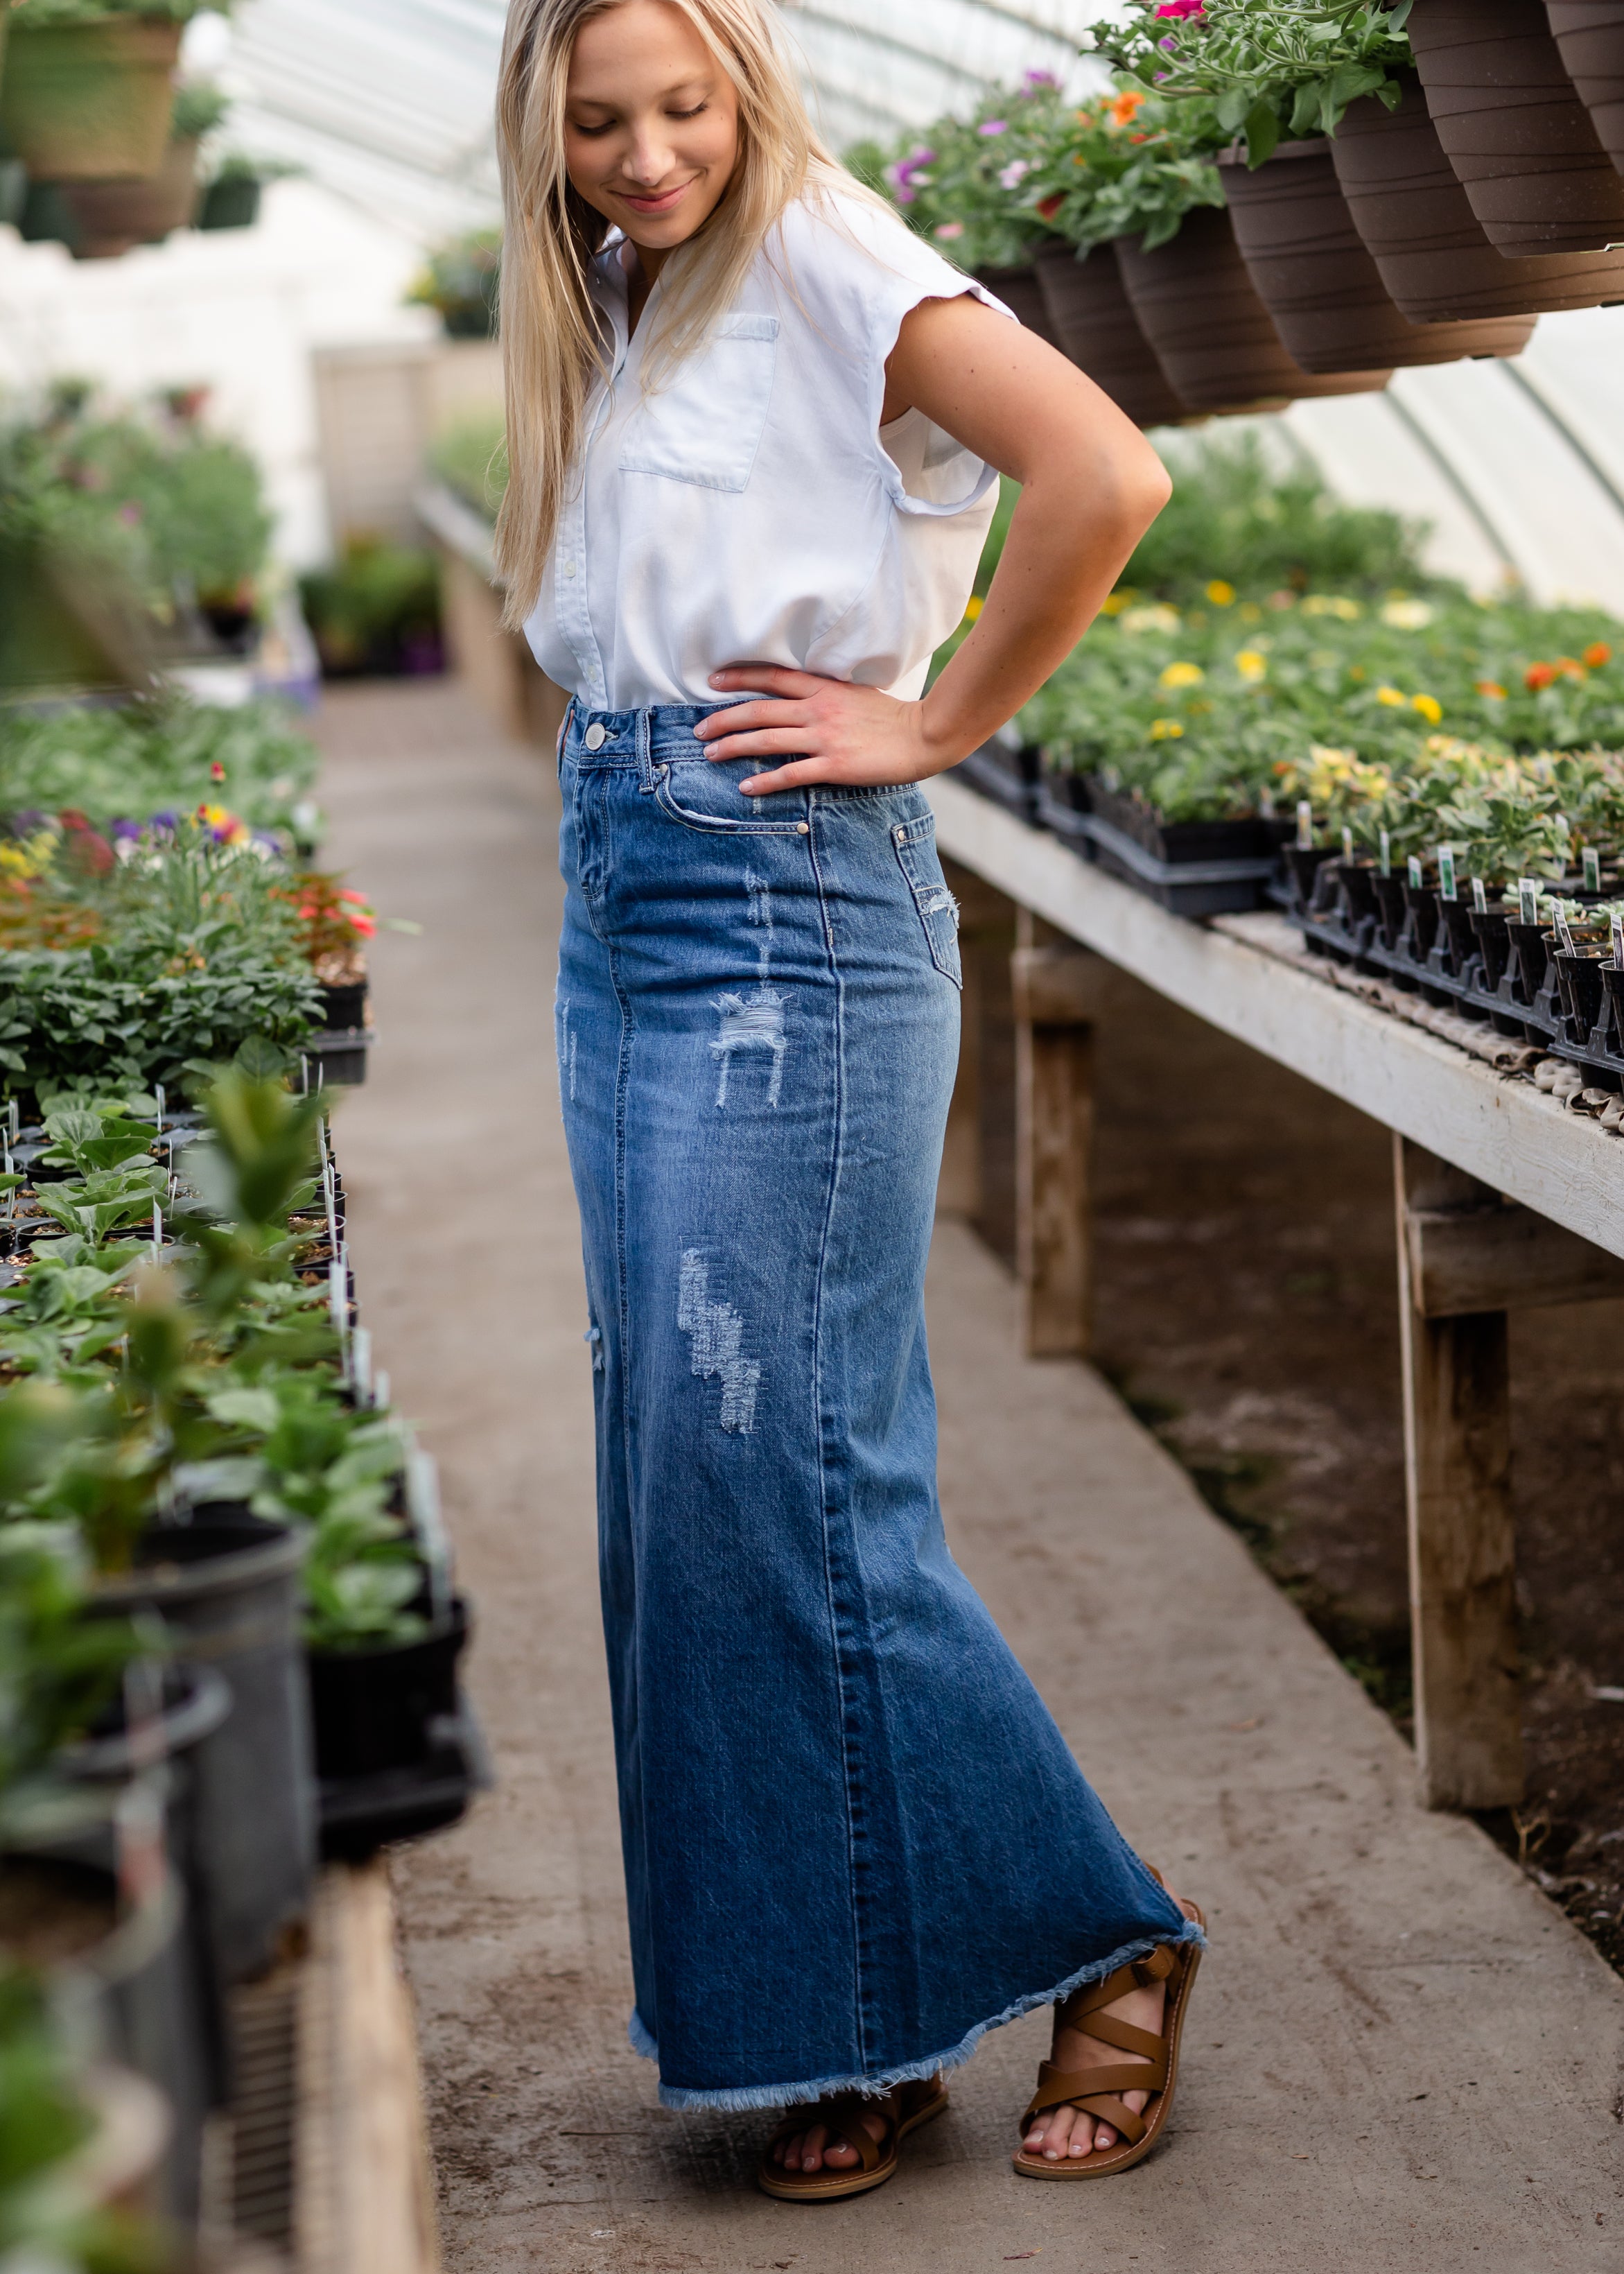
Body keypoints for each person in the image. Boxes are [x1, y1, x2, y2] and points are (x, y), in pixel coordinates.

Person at [495, 0, 1204, 2198]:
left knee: (781, 1467)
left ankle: (1111, 1936)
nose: (645, 153)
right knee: (684, 1491)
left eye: (683, 105)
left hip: (785, 916)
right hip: (630, 900)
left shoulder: (816, 239)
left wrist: (940, 725)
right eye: (598, 120)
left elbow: (1107, 472)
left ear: (748, 87)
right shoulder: (611, 293)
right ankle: (855, 2014)